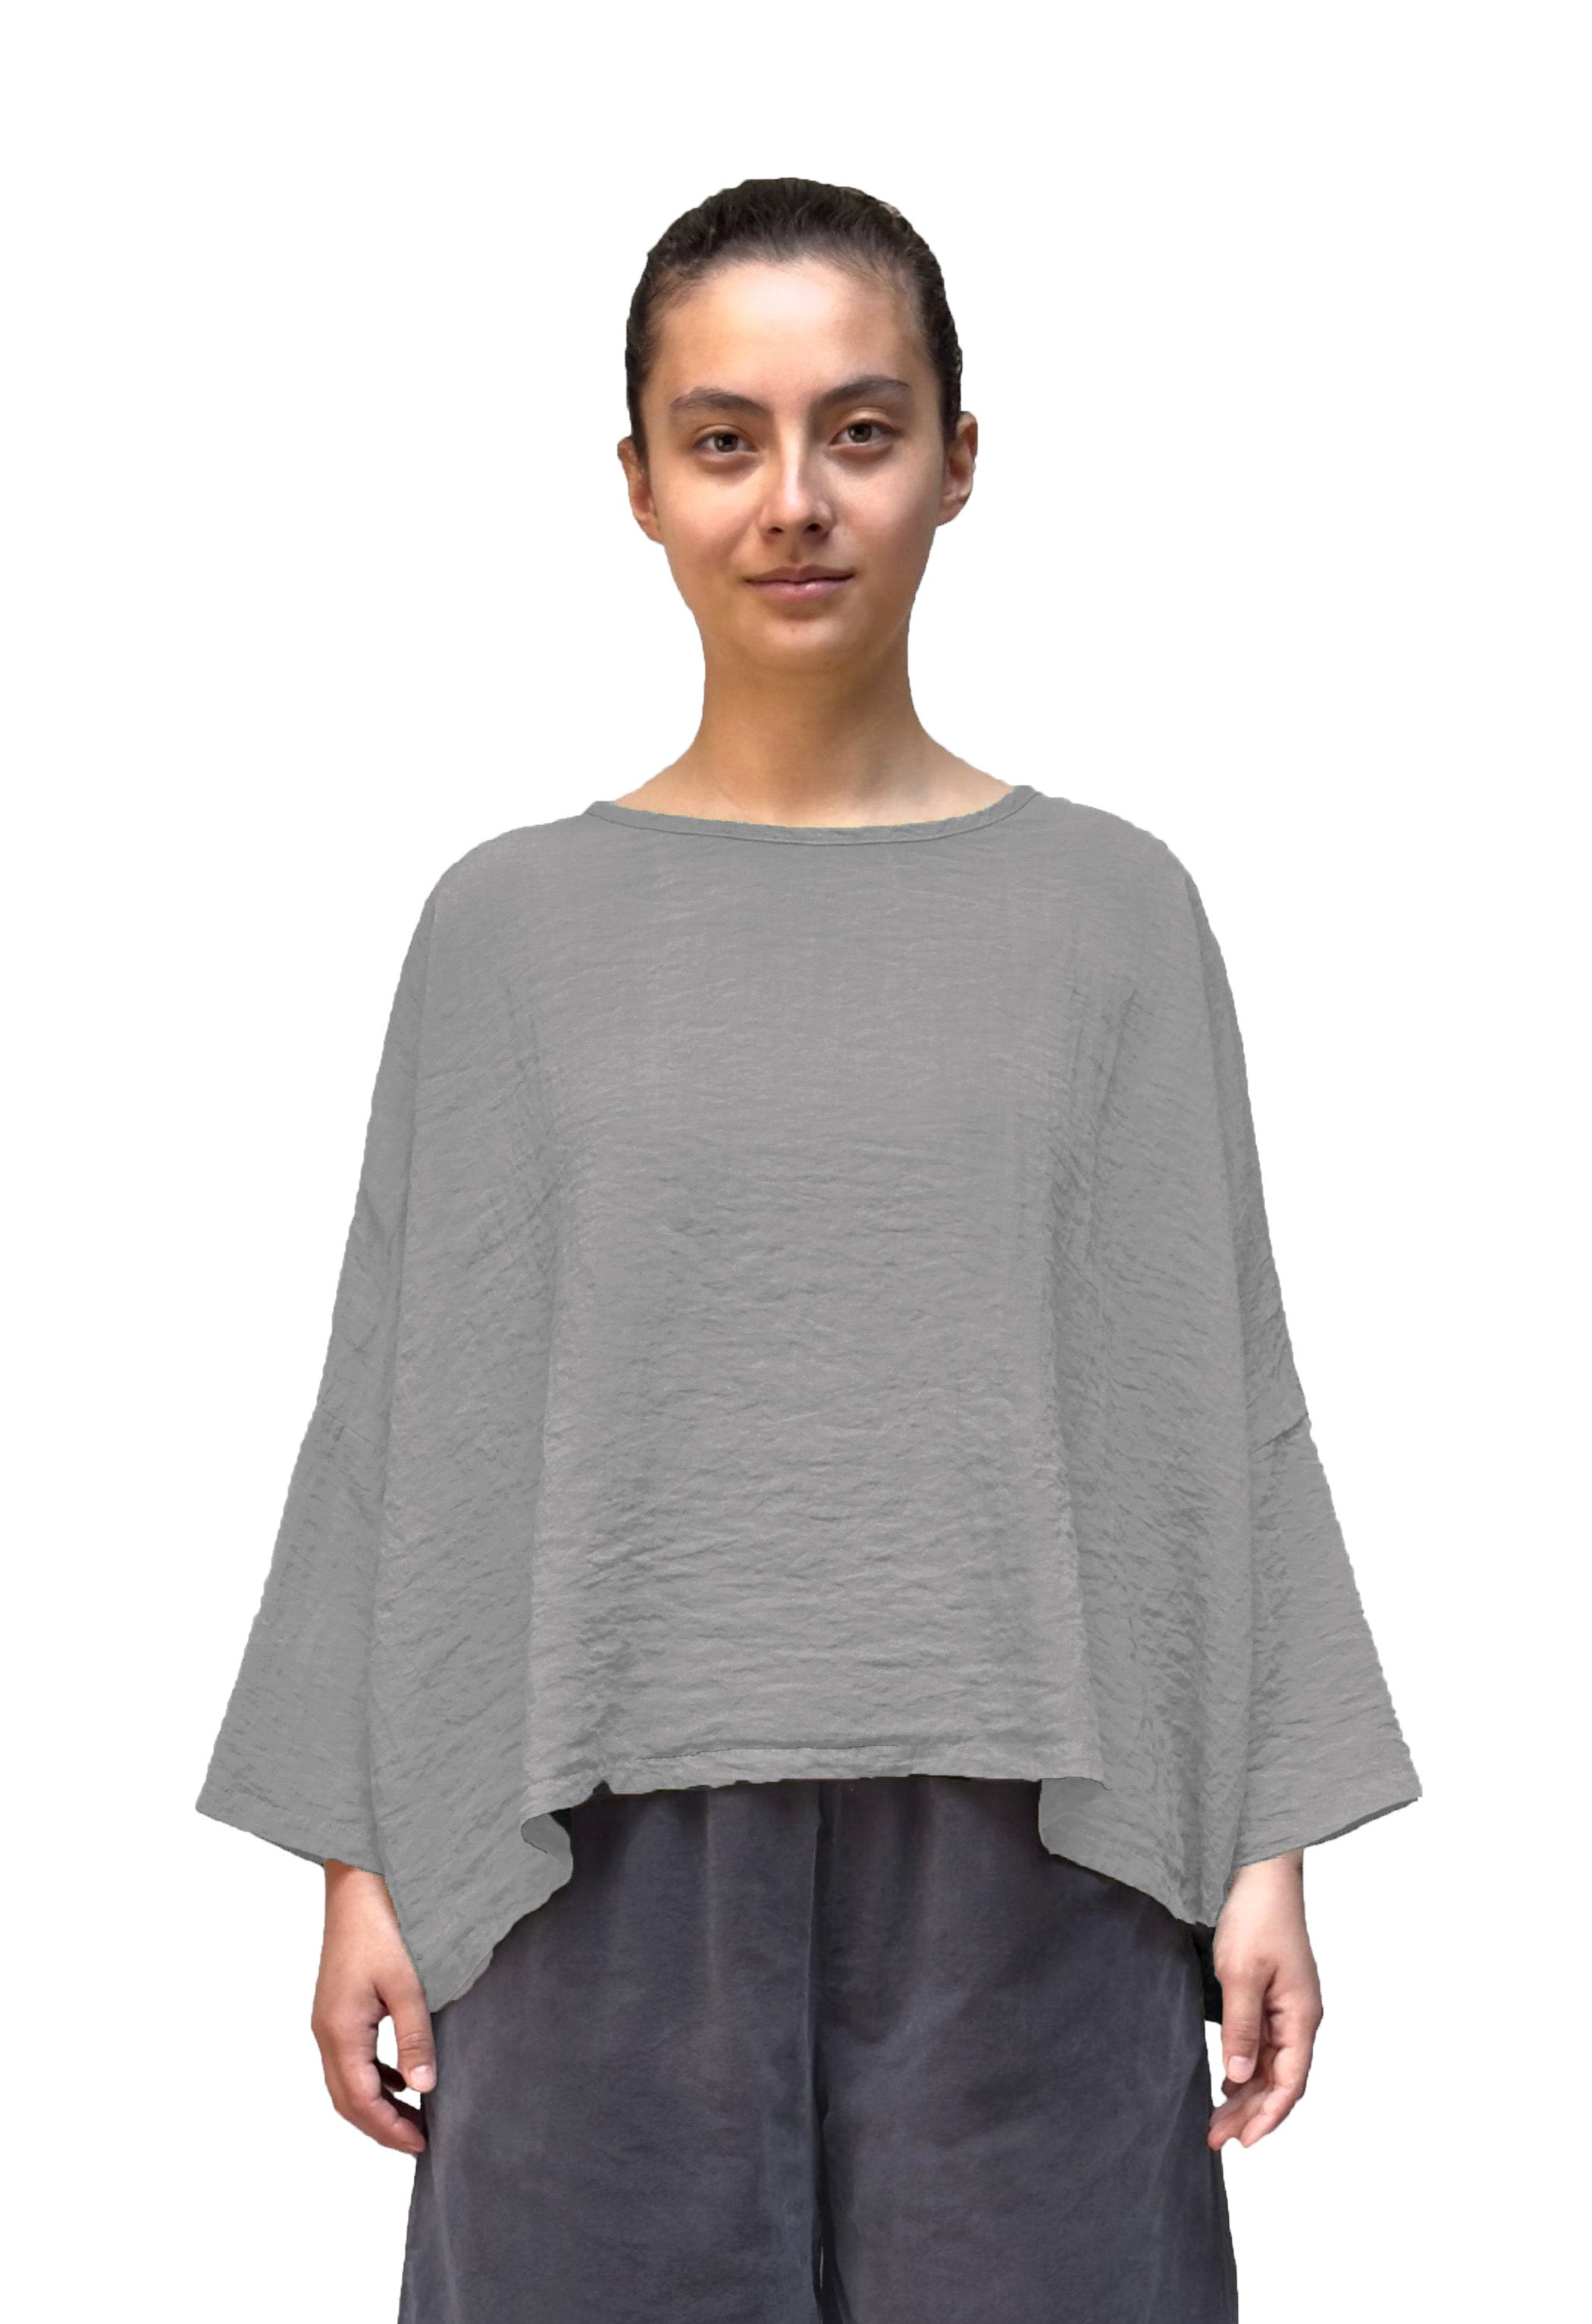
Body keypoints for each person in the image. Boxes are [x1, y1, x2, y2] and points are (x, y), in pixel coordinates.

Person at [196, 177, 1422, 2322]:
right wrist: (361, 1851)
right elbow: (406, 1401)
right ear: (639, 484)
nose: (794, 500)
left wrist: (1264, 1840)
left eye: (860, 430)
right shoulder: (505, 928)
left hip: (1041, 1840)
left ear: (959, 459)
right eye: (724, 437)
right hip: (585, 1846)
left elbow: (1213, 1386)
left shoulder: (1116, 912)